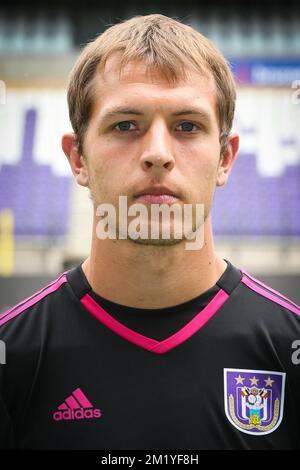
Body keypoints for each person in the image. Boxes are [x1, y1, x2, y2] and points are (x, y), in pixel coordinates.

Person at [0, 13, 299, 450]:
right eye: (125, 125)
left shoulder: (288, 345)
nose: (158, 154)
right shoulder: (13, 356)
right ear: (77, 157)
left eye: (187, 126)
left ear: (225, 159)